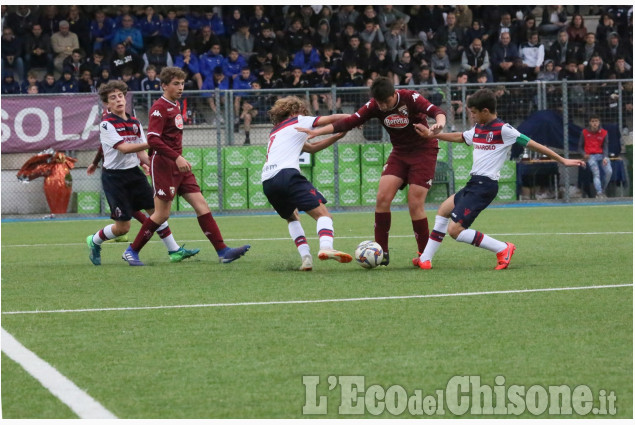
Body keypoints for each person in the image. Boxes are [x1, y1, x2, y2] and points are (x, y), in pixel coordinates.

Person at [412, 89, 585, 270]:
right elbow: (460, 136)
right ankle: (426, 259)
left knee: (455, 231)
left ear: (485, 111)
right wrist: (432, 135)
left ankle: (503, 248)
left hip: (484, 186)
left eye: (474, 113)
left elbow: (534, 144)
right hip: (474, 183)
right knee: (443, 210)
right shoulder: (479, 128)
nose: (471, 116)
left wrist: (562, 159)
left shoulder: (504, 129)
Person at [296, 76, 447, 266]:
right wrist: (317, 132)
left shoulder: (410, 98)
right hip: (399, 152)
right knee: (382, 198)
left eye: (386, 102)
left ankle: (424, 255)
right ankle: (381, 253)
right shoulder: (374, 105)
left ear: (394, 94)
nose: (383, 106)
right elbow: (349, 121)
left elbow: (437, 111)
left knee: (415, 202)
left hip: (424, 151)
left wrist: (438, 124)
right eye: (379, 103)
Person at [122, 67, 250, 266]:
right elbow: (153, 139)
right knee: (162, 214)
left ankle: (222, 251)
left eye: (182, 83)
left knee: (202, 205)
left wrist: (178, 159)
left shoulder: (176, 104)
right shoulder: (159, 107)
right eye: (175, 84)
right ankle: (131, 251)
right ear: (164, 85)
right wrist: (176, 158)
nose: (180, 87)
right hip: (164, 164)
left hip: (178, 164)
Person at [86, 80, 199, 266]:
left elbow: (141, 154)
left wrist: (152, 164)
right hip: (114, 178)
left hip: (134, 174)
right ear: (107, 104)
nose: (118, 100)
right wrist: (153, 142)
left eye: (120, 96)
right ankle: (95, 241)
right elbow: (123, 148)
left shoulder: (134, 122)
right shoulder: (106, 124)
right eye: (113, 98)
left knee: (157, 213)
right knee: (123, 228)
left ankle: (174, 250)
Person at [262, 96, 352, 270]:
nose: (306, 116)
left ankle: (306, 259)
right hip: (287, 174)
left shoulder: (275, 132)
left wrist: (338, 136)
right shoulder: (297, 120)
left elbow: (311, 148)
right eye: (304, 112)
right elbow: (332, 119)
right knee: (323, 215)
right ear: (296, 111)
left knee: (292, 217)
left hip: (267, 180)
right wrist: (356, 117)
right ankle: (326, 248)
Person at [579, 115, 612, 199]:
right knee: (596, 173)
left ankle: (603, 189)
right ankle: (599, 192)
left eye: (596, 121)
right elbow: (580, 147)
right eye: (593, 121)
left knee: (609, 171)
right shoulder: (584, 132)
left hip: (601, 155)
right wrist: (584, 154)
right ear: (590, 122)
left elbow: (605, 147)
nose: (595, 123)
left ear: (599, 122)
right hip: (590, 156)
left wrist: (605, 157)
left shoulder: (604, 133)